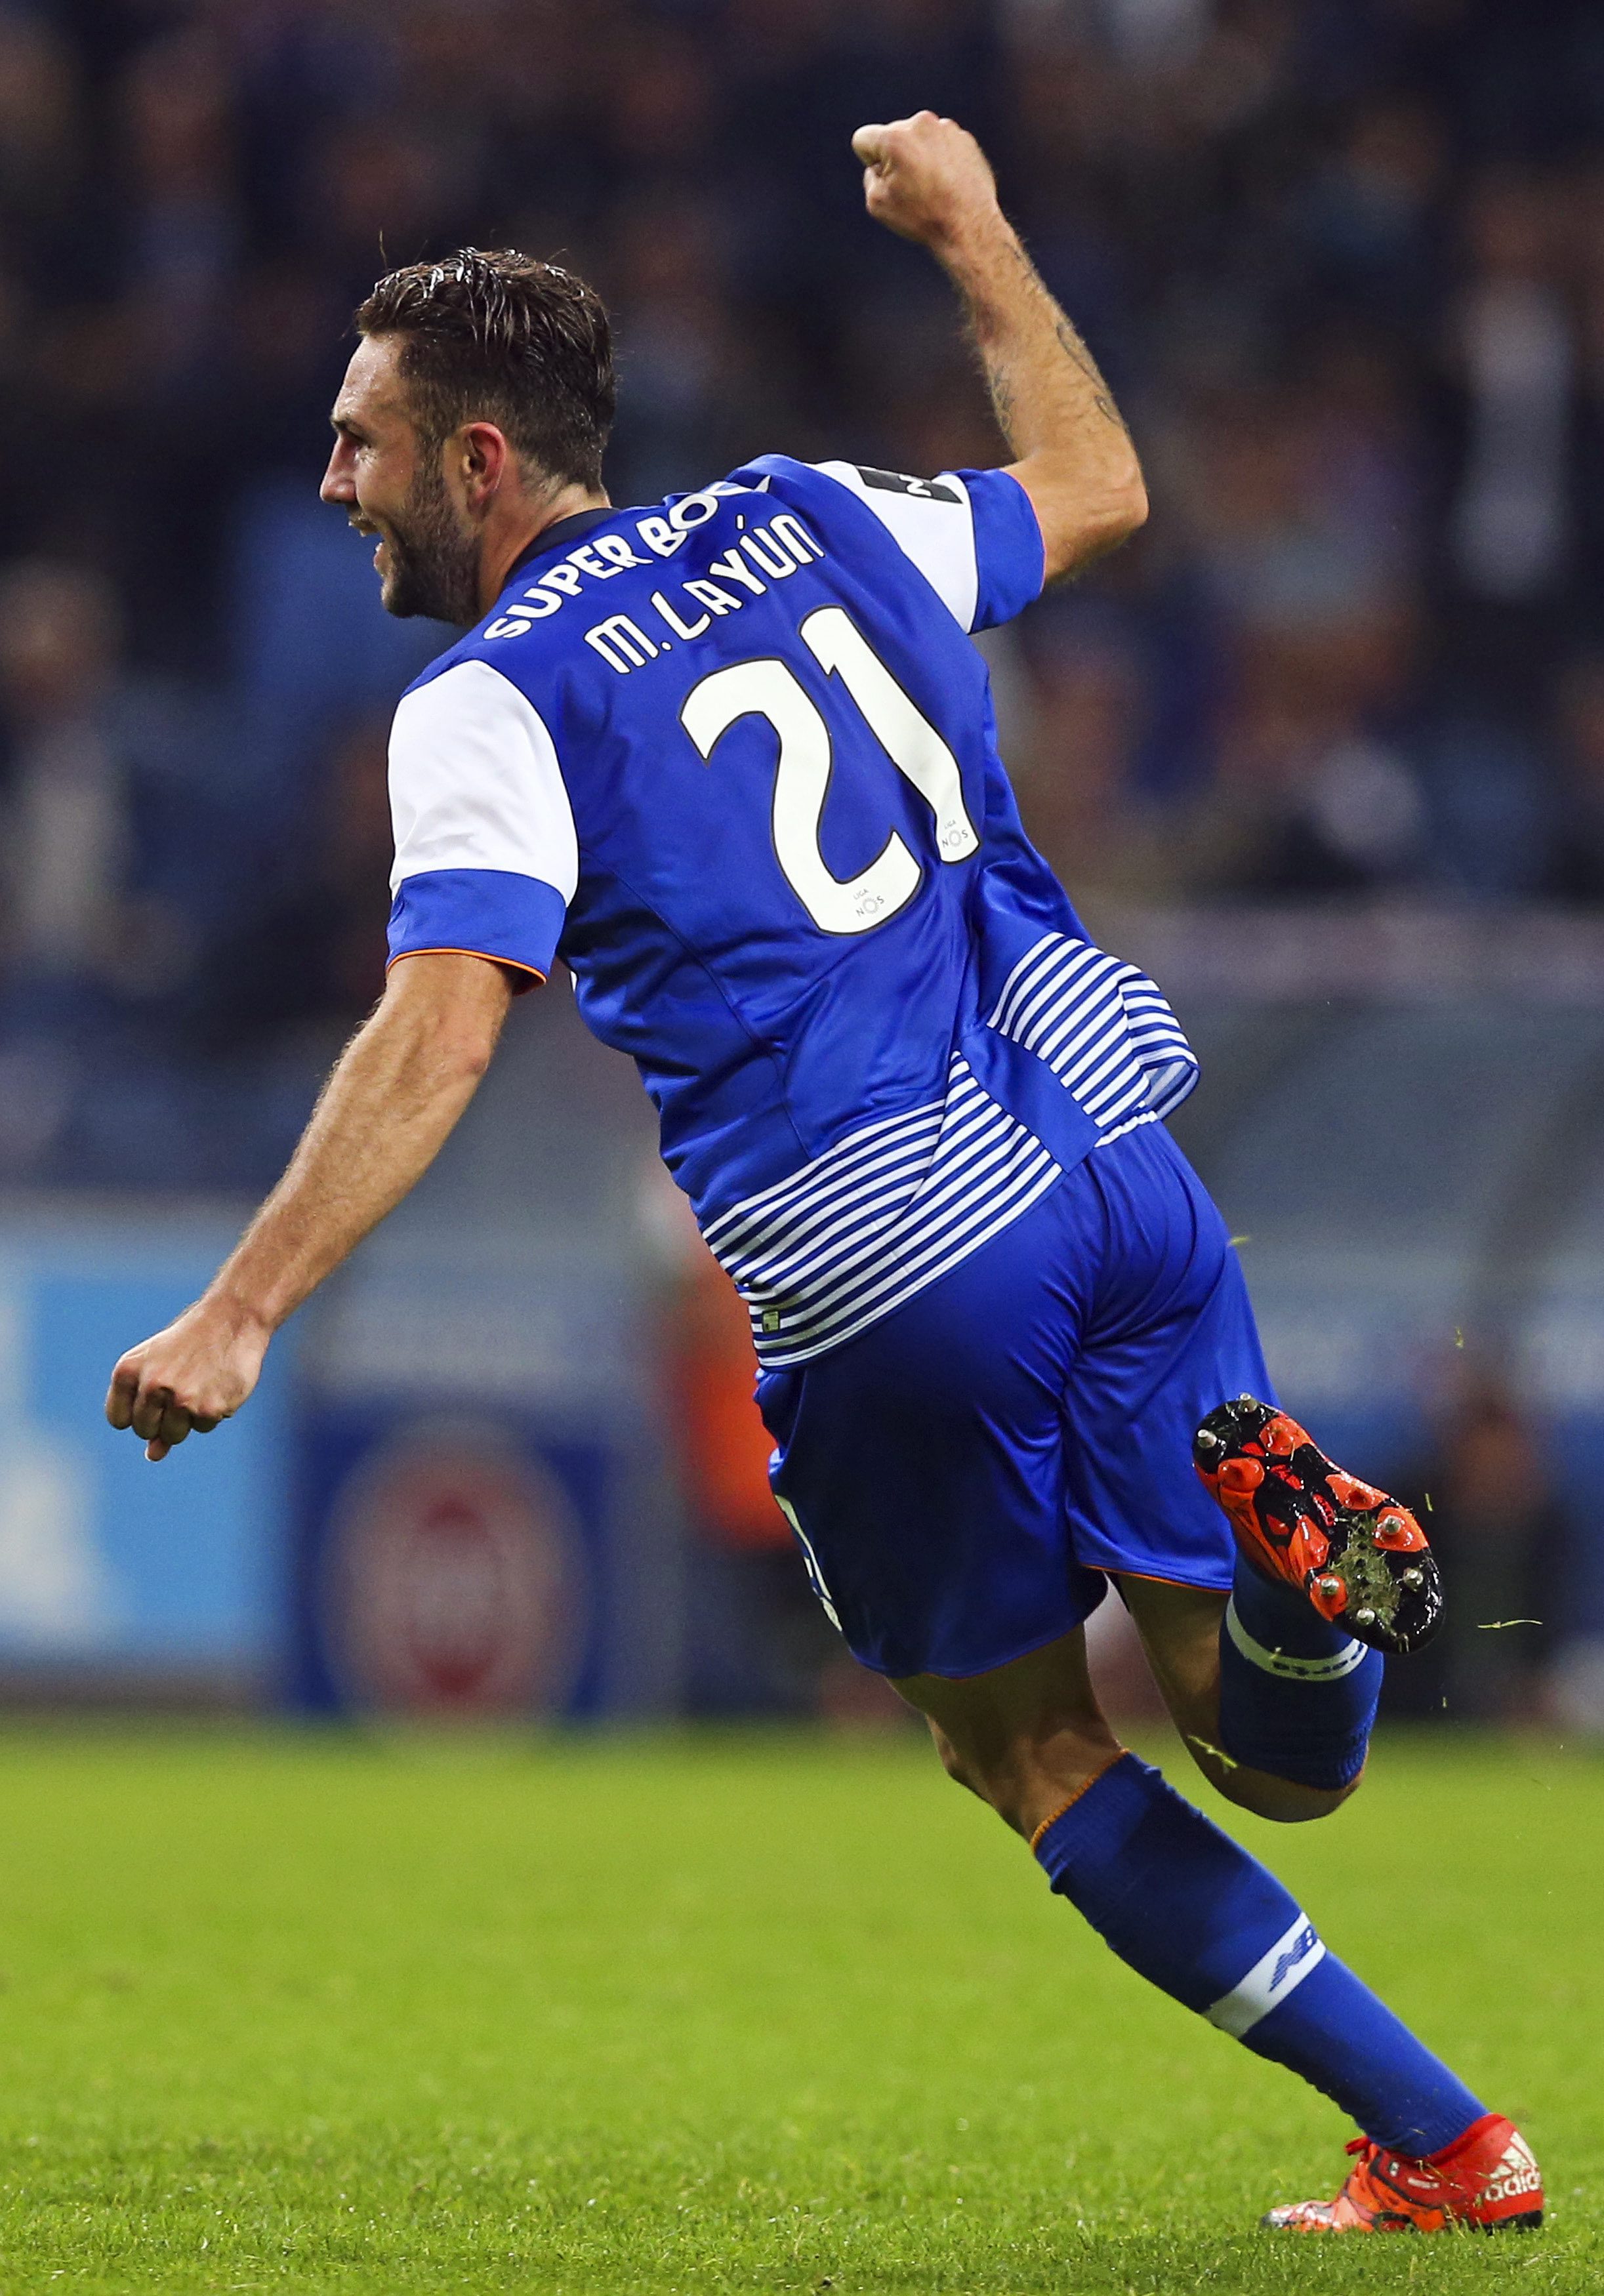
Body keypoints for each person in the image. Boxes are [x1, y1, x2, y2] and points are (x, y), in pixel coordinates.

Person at [106, 114, 1542, 2236]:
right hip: (1114, 1150)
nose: (334, 481)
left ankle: (1451, 2139)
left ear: (479, 462)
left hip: (895, 1253)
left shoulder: (492, 697)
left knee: (1027, 1748)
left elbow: (441, 1025)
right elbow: (1101, 487)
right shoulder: (813, 513)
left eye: (362, 441)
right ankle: (1304, 1603)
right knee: (1261, 1736)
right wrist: (979, 232)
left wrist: (242, 1307)